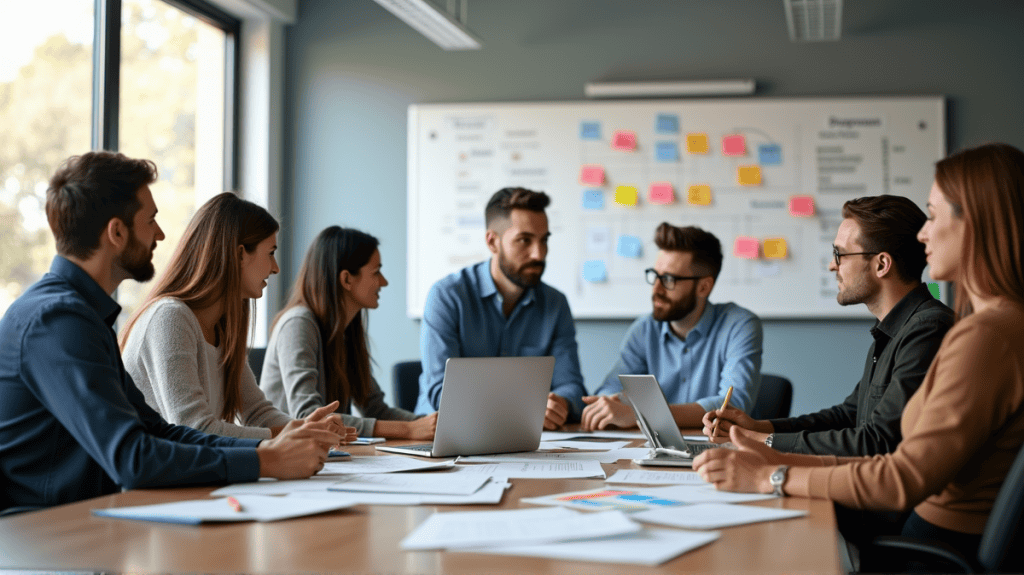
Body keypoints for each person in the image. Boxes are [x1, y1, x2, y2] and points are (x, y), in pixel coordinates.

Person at [694, 143, 1024, 561]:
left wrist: (772, 475)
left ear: (975, 224)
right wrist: (768, 444)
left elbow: (899, 470)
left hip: (928, 548)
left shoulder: (983, 336)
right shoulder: (990, 326)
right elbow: (859, 421)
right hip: (923, 534)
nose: (924, 233)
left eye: (935, 216)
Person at [0, 152, 341, 513]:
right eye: (151, 221)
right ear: (117, 232)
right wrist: (266, 461)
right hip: (47, 538)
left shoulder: (80, 316)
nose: (161, 234)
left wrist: (267, 450)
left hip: (83, 523)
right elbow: (132, 459)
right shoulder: (57, 323)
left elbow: (159, 431)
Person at [703, 196, 954, 455]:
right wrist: (760, 427)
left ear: (881, 265)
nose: (832, 265)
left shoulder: (927, 331)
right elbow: (849, 415)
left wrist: (760, 440)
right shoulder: (892, 331)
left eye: (840, 254)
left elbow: (877, 441)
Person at [120, 193, 357, 443]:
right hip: (157, 479)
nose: (275, 268)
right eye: (270, 252)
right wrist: (294, 434)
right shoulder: (169, 318)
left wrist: (308, 429)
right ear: (240, 254)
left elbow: (257, 412)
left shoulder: (222, 327)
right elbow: (194, 429)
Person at [416, 187, 587, 429]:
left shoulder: (555, 304)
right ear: (492, 242)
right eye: (524, 240)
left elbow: (571, 385)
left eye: (544, 240)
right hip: (446, 436)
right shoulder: (447, 296)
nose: (539, 254)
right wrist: (523, 408)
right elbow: (440, 392)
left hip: (528, 439)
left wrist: (561, 404)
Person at [580, 223, 763, 431]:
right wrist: (609, 403)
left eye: (668, 279)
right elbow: (612, 387)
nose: (656, 289)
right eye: (655, 275)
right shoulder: (644, 329)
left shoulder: (739, 326)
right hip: (650, 449)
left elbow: (733, 405)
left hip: (720, 451)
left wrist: (642, 414)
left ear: (703, 287)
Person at [261, 226, 437, 439]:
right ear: (346, 279)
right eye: (376, 272)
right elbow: (309, 416)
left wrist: (432, 424)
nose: (384, 282)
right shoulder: (298, 324)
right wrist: (408, 429)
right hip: (288, 458)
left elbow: (375, 410)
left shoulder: (347, 332)